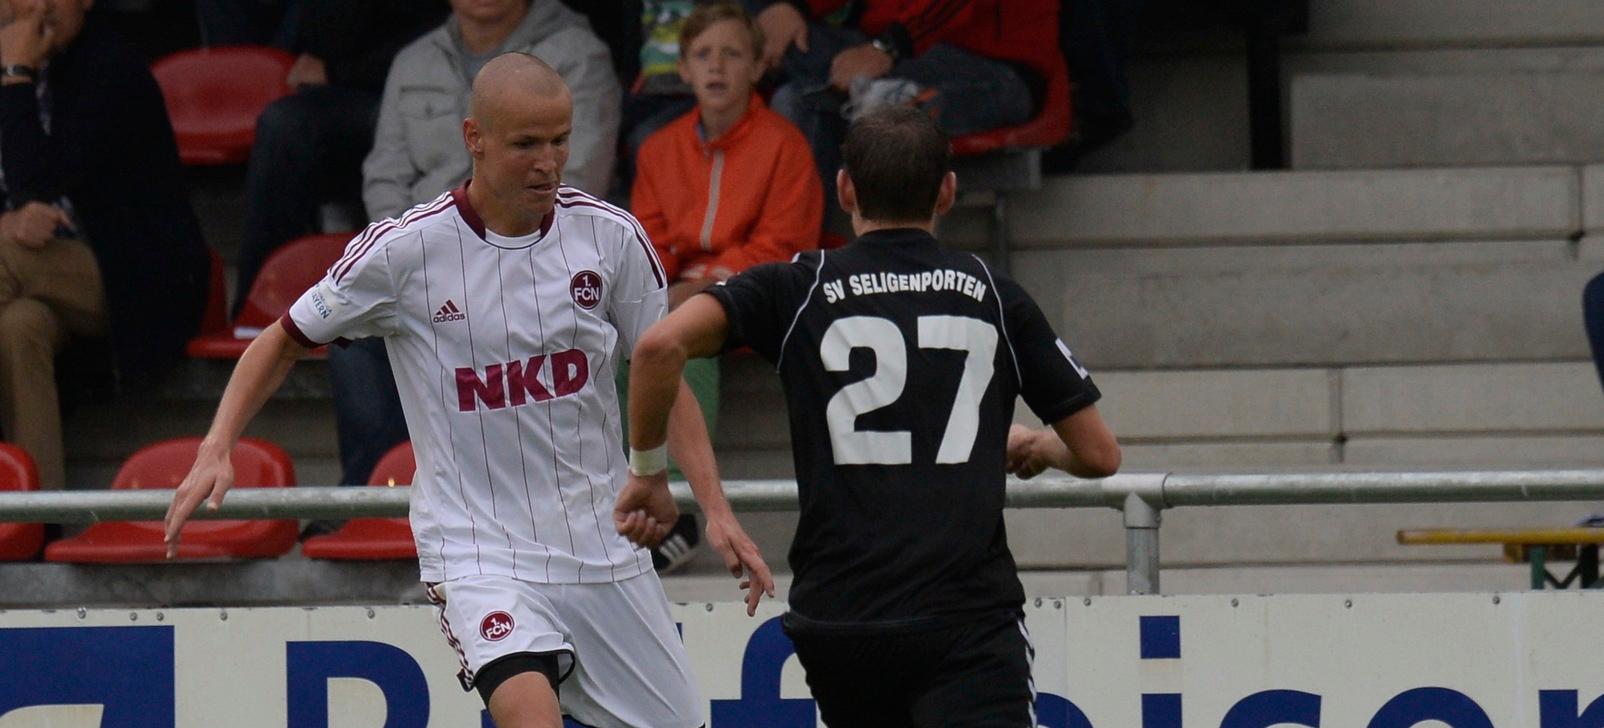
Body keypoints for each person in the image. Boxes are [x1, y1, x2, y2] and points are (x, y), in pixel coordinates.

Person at [165, 53, 773, 728]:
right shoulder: (405, 252)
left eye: (560, 140)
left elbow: (663, 374)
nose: (548, 161)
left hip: (602, 544)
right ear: (474, 138)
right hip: (479, 548)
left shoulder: (611, 237)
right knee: (527, 714)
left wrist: (714, 508)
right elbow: (282, 336)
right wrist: (219, 444)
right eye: (526, 144)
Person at [620, 105, 1120, 726]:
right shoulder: (993, 292)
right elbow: (1100, 455)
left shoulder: (798, 287)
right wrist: (1036, 447)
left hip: (841, 620)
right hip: (962, 618)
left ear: (844, 188)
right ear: (947, 190)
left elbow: (655, 348)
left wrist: (651, 475)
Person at [329, 0, 623, 502]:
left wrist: (472, 246)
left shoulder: (576, 53)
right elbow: (384, 178)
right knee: (355, 341)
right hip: (425, 262)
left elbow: (577, 176)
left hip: (531, 260)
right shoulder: (414, 60)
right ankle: (375, 503)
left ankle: (479, 500)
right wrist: (408, 255)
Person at [623, 0, 824, 571]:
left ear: (758, 67)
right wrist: (677, 288)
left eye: (732, 54)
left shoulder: (785, 145)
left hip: (760, 297)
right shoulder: (658, 149)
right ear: (682, 69)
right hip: (676, 297)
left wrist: (704, 284)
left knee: (681, 341)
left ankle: (680, 511)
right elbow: (645, 244)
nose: (717, 67)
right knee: (623, 337)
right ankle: (625, 495)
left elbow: (784, 246)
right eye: (702, 55)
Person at [0, 0, 209, 490]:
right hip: (38, 272)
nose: (37, 7)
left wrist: (15, 73)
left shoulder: (109, 66)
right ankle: (33, 524)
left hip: (136, 274)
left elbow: (41, 182)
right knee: (18, 328)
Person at [231, 0, 446, 315]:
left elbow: (456, 27)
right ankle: (255, 314)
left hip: (443, 81)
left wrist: (339, 70)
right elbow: (324, 36)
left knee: (407, 122)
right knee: (284, 125)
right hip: (359, 82)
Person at [749, 0, 1062, 201]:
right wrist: (787, 7)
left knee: (806, 100)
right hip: (889, 56)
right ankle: (802, 271)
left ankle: (880, 101)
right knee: (789, 94)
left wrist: (888, 48)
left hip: (995, 66)